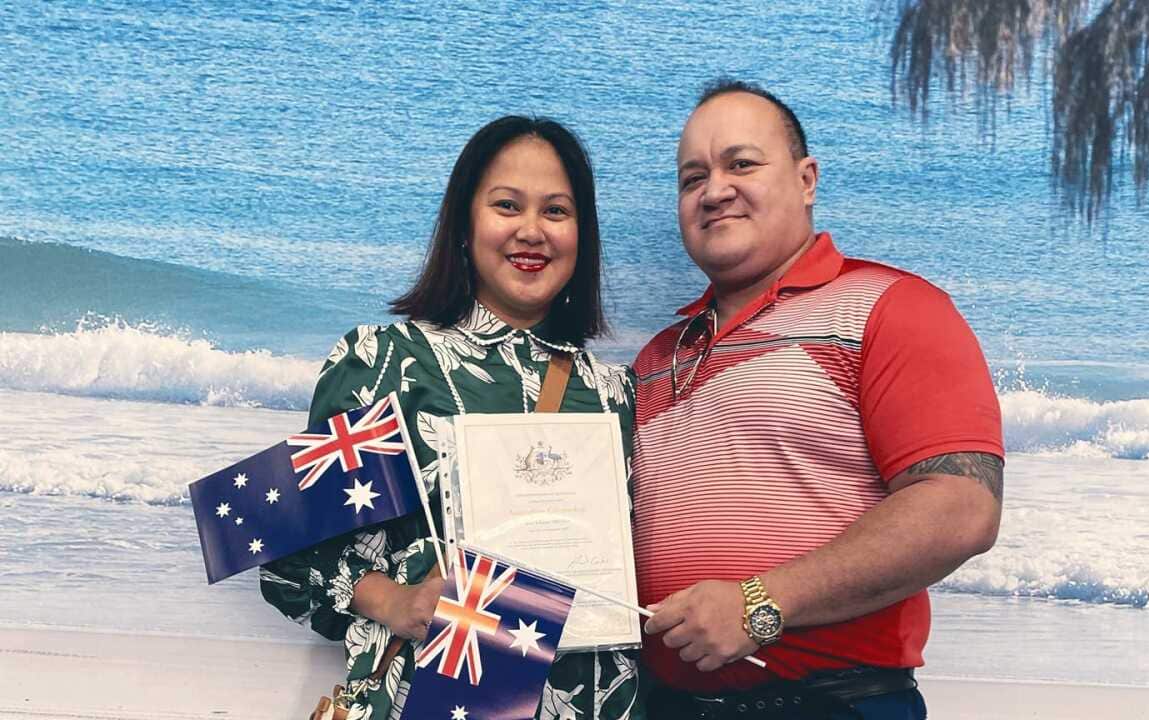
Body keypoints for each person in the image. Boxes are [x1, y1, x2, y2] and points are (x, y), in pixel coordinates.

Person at [631, 80, 1005, 719]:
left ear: (806, 179)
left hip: (828, 705)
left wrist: (758, 603)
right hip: (664, 704)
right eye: (692, 177)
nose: (714, 189)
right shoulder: (657, 357)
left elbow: (960, 508)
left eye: (741, 164)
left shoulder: (893, 308)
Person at [260, 116, 642, 720]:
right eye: (507, 205)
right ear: (465, 224)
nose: (532, 230)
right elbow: (288, 560)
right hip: (431, 701)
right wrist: (394, 600)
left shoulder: (615, 394)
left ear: (582, 234)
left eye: (557, 211)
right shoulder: (390, 363)